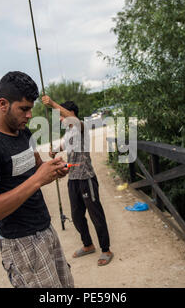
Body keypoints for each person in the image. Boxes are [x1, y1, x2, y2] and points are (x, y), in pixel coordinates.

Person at [0, 71, 74, 288]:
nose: (29, 115)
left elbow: (37, 168)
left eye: (31, 109)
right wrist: (37, 180)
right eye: (24, 109)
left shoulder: (24, 134)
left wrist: (53, 169)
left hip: (45, 229)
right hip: (21, 243)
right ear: (3, 104)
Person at [42, 95, 114, 266]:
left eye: (61, 116)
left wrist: (52, 103)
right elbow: (66, 145)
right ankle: (88, 245)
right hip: (73, 178)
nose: (60, 119)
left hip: (86, 177)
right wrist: (54, 151)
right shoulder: (69, 131)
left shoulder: (82, 125)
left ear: (70, 113)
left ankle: (106, 250)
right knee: (76, 215)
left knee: (96, 214)